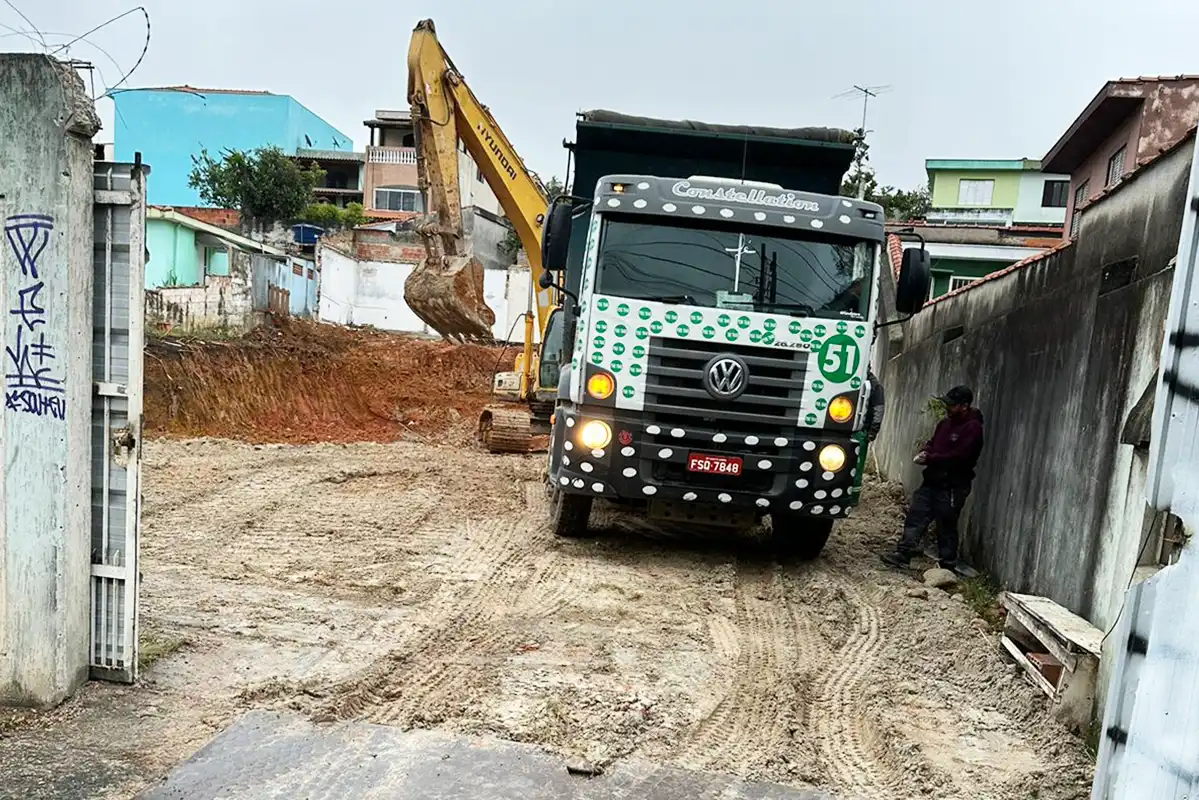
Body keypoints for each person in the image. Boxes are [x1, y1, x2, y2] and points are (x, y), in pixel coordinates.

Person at [881, 385, 984, 572]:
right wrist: (926, 451)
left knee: (946, 523)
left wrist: (932, 458)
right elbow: (932, 442)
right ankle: (903, 552)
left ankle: (948, 564)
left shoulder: (973, 428)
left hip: (953, 485)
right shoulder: (944, 424)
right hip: (932, 480)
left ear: (964, 406)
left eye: (952, 405)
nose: (948, 407)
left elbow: (961, 457)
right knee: (916, 515)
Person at [863, 369, 884, 442]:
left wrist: (873, 431)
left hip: (863, 430)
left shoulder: (875, 386)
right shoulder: (875, 385)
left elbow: (879, 410)